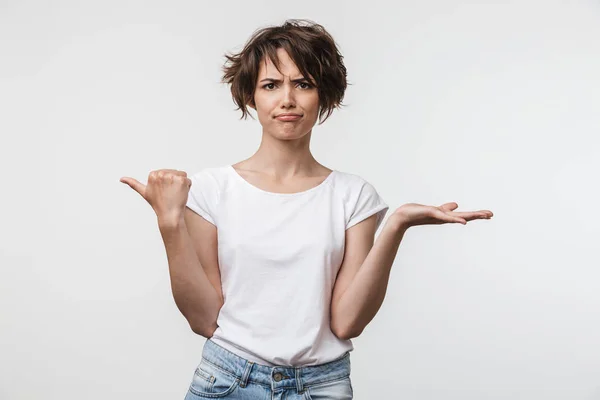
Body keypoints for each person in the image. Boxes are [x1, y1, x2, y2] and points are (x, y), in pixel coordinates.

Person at [120, 19, 493, 400]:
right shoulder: (212, 190)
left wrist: (397, 225)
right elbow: (203, 319)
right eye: (271, 85)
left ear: (324, 95)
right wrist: (169, 222)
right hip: (227, 382)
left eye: (303, 84)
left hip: (321, 387)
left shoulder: (353, 196)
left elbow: (347, 322)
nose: (287, 99)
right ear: (251, 95)